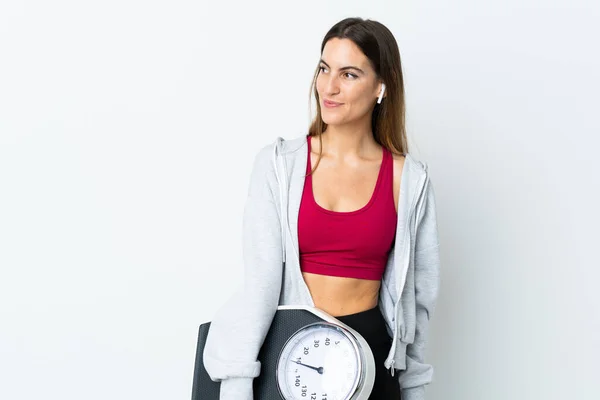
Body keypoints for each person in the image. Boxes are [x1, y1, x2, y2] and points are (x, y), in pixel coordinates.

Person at [203, 17, 441, 400]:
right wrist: (237, 383)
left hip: (371, 362)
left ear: (381, 87)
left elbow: (418, 299)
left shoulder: (410, 180)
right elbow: (259, 283)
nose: (328, 87)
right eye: (324, 69)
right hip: (289, 358)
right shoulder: (279, 165)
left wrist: (413, 390)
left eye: (348, 74)